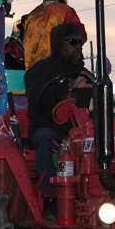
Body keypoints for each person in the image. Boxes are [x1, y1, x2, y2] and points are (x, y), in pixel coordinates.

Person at [24, 23, 92, 208]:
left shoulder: (85, 75)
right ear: (59, 44)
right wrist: (67, 89)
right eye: (73, 42)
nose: (78, 47)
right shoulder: (38, 71)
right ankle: (51, 198)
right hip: (47, 127)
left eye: (80, 43)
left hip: (78, 131)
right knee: (46, 140)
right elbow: (38, 100)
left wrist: (97, 88)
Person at [24, 0, 87, 70]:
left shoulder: (31, 16)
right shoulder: (66, 11)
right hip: (57, 71)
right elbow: (81, 36)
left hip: (33, 72)